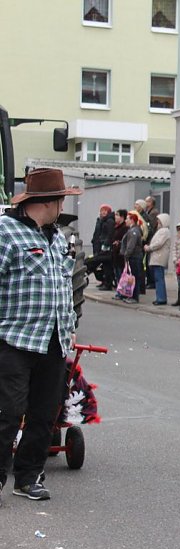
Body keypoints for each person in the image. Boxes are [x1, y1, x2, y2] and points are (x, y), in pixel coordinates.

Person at [0, 168, 81, 504]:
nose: (63, 206)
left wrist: (70, 329)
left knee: (44, 413)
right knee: (8, 411)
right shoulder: (6, 233)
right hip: (14, 339)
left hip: (53, 340)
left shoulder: (56, 237)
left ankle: (28, 477)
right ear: (50, 202)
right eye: (62, 199)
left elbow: (63, 286)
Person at [144, 213, 171, 306]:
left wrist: (149, 247)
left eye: (159, 220)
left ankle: (161, 298)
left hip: (159, 257)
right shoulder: (162, 230)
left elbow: (158, 243)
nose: (157, 222)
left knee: (159, 279)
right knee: (158, 278)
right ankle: (160, 297)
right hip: (157, 257)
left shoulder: (164, 231)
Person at [120, 211, 145, 304]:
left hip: (134, 257)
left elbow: (131, 245)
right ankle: (130, 295)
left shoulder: (134, 231)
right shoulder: (132, 230)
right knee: (132, 277)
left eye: (127, 219)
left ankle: (135, 297)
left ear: (132, 220)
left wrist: (126, 255)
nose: (125, 221)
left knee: (134, 278)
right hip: (134, 256)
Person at [91, 203, 115, 290]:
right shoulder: (101, 220)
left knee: (107, 266)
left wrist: (105, 244)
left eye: (105, 211)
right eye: (102, 210)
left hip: (105, 246)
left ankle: (108, 283)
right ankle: (104, 281)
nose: (103, 212)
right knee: (103, 266)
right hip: (99, 244)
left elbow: (109, 234)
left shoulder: (109, 221)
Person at [111, 209, 129, 291]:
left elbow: (125, 241)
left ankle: (123, 291)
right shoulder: (116, 227)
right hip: (115, 254)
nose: (115, 217)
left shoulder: (125, 228)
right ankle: (120, 291)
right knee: (117, 274)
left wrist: (119, 243)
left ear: (122, 217)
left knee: (122, 274)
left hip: (120, 255)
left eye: (117, 215)